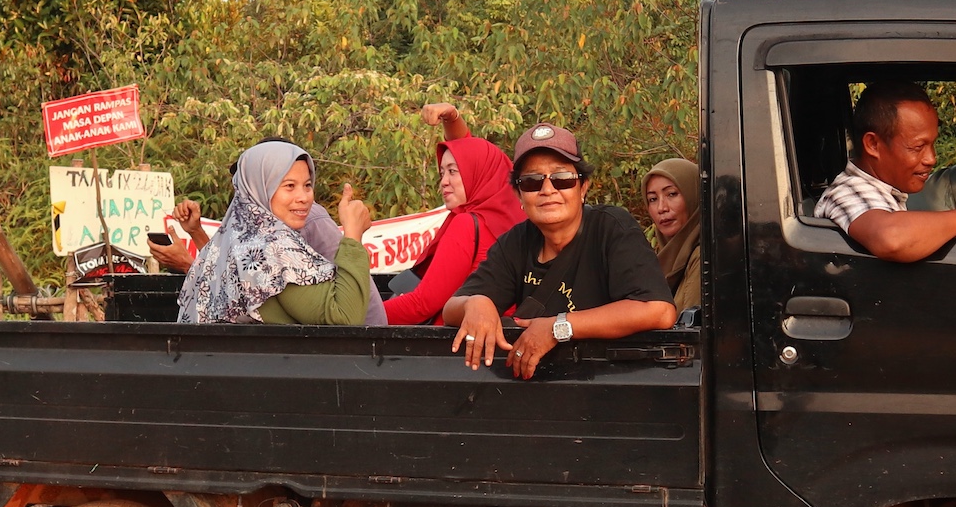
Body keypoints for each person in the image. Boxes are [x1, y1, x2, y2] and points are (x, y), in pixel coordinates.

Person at [445, 124, 678, 379]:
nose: (548, 190)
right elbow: (451, 309)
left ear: (583, 187)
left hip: (611, 383)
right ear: (519, 194)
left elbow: (658, 310)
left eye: (562, 178)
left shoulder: (612, 228)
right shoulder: (517, 242)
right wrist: (476, 303)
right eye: (532, 182)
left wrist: (558, 327)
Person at [176, 140, 374, 324]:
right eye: (289, 186)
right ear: (259, 188)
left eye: (307, 185)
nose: (304, 197)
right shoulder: (271, 246)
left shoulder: (239, 237)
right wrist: (353, 235)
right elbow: (345, 318)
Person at [814, 80, 956, 263]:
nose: (931, 158)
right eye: (918, 147)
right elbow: (890, 239)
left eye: (932, 144)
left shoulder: (886, 192)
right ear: (873, 145)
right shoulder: (847, 191)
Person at [383, 101, 525, 325]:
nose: (444, 182)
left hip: (448, 350)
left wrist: (359, 315)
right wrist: (452, 119)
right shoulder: (515, 223)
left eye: (453, 172)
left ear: (477, 174)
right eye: (442, 173)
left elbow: (421, 305)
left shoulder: (467, 224)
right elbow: (472, 154)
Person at [642, 156, 702, 312]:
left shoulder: (703, 256)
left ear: (694, 195)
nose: (661, 208)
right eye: (653, 199)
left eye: (672, 194)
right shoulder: (659, 258)